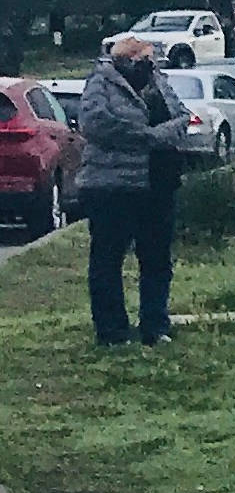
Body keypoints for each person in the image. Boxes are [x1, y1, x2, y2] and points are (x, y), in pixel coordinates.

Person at [76, 38, 187, 347]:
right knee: (108, 259)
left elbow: (180, 116)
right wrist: (149, 137)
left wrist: (156, 136)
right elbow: (98, 125)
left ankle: (155, 325)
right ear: (129, 59)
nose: (151, 64)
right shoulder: (100, 83)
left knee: (157, 258)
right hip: (113, 186)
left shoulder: (157, 81)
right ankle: (111, 331)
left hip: (158, 181)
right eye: (146, 58)